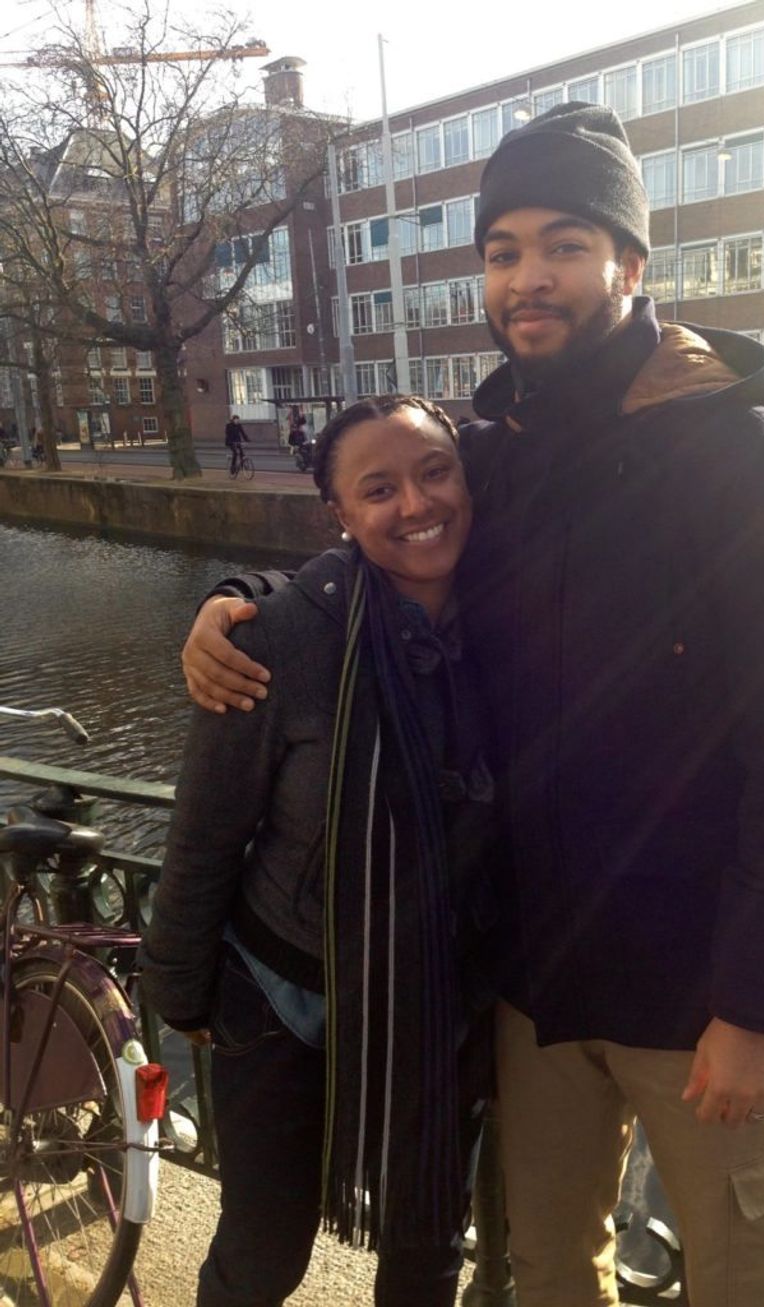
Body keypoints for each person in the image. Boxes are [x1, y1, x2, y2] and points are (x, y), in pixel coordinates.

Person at [180, 102, 764, 1307]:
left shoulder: (750, 460)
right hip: (531, 987)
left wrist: (762, 1004)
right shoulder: (492, 456)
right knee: (547, 1272)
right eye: (502, 251)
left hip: (694, 991)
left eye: (563, 244)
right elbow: (376, 544)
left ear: (628, 264)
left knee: (746, 1282)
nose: (526, 276)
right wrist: (240, 602)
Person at [141, 395, 497, 1307]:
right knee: (264, 1253)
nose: (415, 504)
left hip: (439, 1001)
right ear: (338, 513)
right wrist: (179, 986)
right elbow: (207, 828)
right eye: (378, 489)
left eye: (435, 472)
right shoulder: (284, 637)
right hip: (287, 997)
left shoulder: (514, 623)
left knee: (427, 1252)